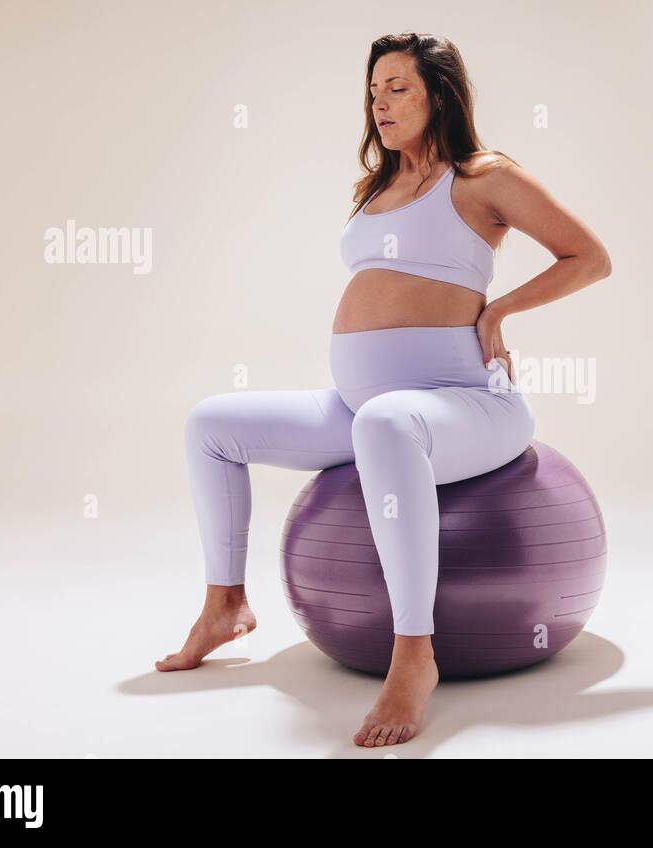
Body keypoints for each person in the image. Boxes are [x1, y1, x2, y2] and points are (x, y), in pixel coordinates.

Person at [155, 32, 612, 748]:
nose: (381, 103)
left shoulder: (481, 177)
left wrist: (498, 310)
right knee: (211, 424)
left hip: (466, 404)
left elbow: (590, 257)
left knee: (388, 427)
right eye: (374, 91)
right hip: (360, 404)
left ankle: (413, 653)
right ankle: (226, 605)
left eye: (398, 88)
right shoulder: (376, 188)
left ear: (439, 94)